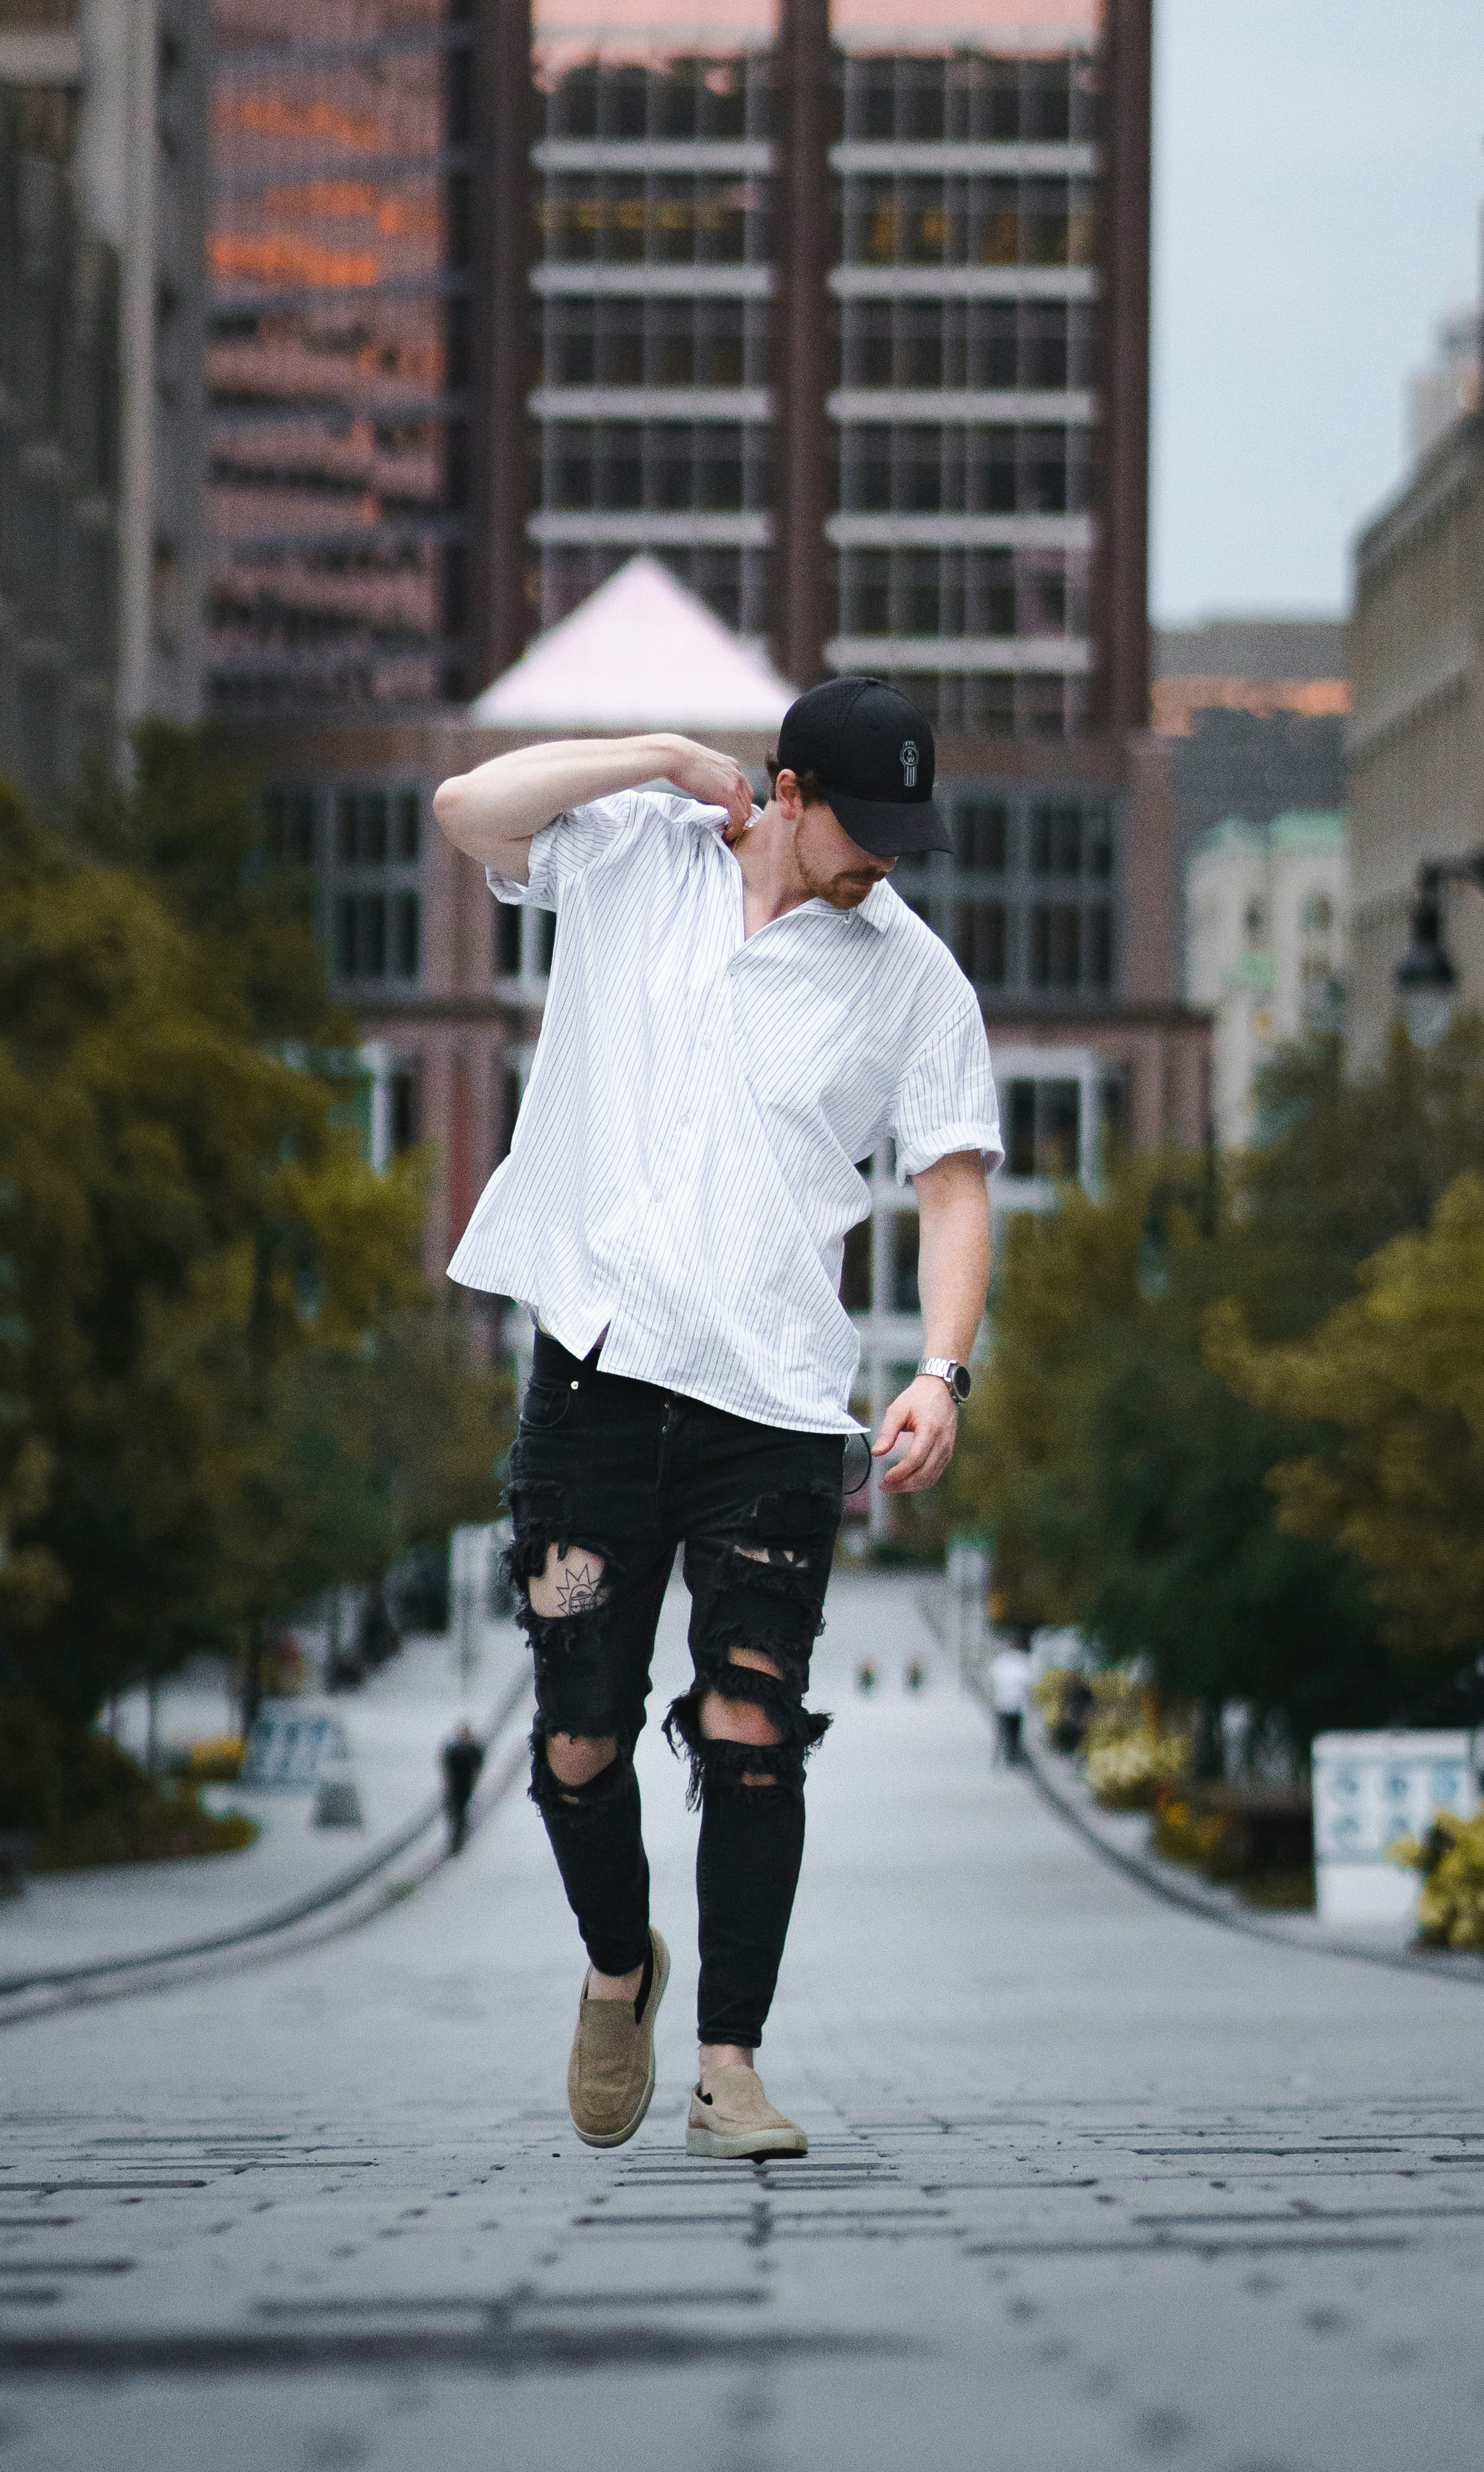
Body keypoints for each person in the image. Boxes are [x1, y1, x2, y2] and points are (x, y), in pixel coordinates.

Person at [435, 679, 999, 2163]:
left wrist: (941, 1369)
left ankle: (728, 2062)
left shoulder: (912, 980)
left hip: (768, 1418)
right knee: (571, 1736)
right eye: (857, 827)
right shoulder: (632, 849)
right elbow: (463, 813)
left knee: (753, 1730)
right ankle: (618, 1965)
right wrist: (657, 756)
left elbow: (951, 1184)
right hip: (589, 1395)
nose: (880, 860)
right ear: (787, 793)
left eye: (901, 834)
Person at [440, 1717, 483, 1855]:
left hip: (464, 1787)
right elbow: (446, 1766)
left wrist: (474, 1781)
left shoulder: (472, 1749)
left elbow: (478, 1766)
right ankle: (455, 1841)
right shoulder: (454, 1750)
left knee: (461, 1814)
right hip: (455, 1786)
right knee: (454, 1814)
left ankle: (458, 1842)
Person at [989, 1636, 1034, 1768]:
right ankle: (1012, 1757)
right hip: (1016, 1704)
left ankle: (1001, 1757)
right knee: (1014, 1732)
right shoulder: (1022, 1662)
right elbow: (1028, 1685)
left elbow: (992, 1682)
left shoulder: (1001, 1661)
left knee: (1002, 1732)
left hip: (1002, 1702)